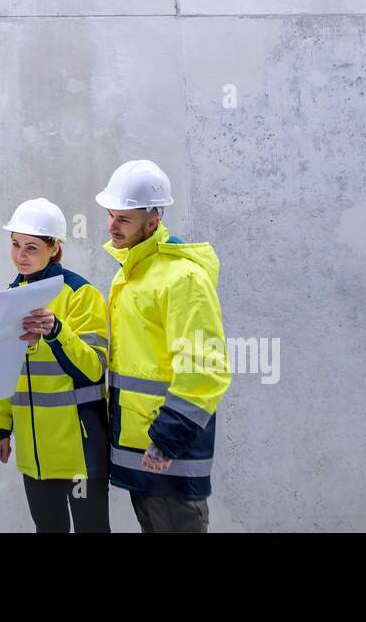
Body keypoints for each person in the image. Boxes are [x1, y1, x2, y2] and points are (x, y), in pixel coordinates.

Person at [96, 160, 230, 533]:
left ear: (152, 222)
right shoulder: (133, 275)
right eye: (110, 216)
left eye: (123, 219)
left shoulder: (182, 277)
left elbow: (204, 367)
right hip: (143, 449)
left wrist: (167, 440)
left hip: (170, 454)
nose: (111, 227)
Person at [0, 198, 111, 532]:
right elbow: (6, 370)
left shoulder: (80, 294)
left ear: (54, 247)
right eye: (15, 245)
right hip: (34, 456)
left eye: (31, 247)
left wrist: (57, 331)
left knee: (92, 529)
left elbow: (93, 368)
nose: (20, 256)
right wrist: (2, 428)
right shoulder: (11, 296)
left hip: (79, 456)